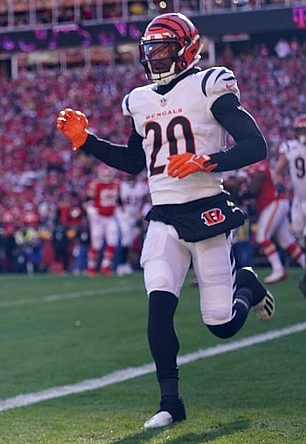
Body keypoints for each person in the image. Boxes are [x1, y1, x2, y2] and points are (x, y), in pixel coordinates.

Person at [55, 12, 276, 429]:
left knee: (221, 325)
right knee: (158, 307)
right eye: (150, 50)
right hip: (163, 216)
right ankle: (170, 403)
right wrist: (87, 142)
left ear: (187, 49)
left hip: (207, 210)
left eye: (163, 49)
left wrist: (206, 160)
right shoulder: (139, 100)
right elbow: (133, 161)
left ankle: (246, 285)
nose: (155, 57)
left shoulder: (210, 85)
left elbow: (255, 145)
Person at [244, 154, 304, 283]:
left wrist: (245, 195)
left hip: (273, 202)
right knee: (285, 240)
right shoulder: (257, 165)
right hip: (275, 203)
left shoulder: (258, 164)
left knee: (262, 236)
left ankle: (278, 269)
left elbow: (257, 180)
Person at [274, 113, 306, 295]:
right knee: (299, 237)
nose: (303, 134)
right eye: (300, 130)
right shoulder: (291, 147)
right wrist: (279, 184)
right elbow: (278, 170)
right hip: (298, 200)